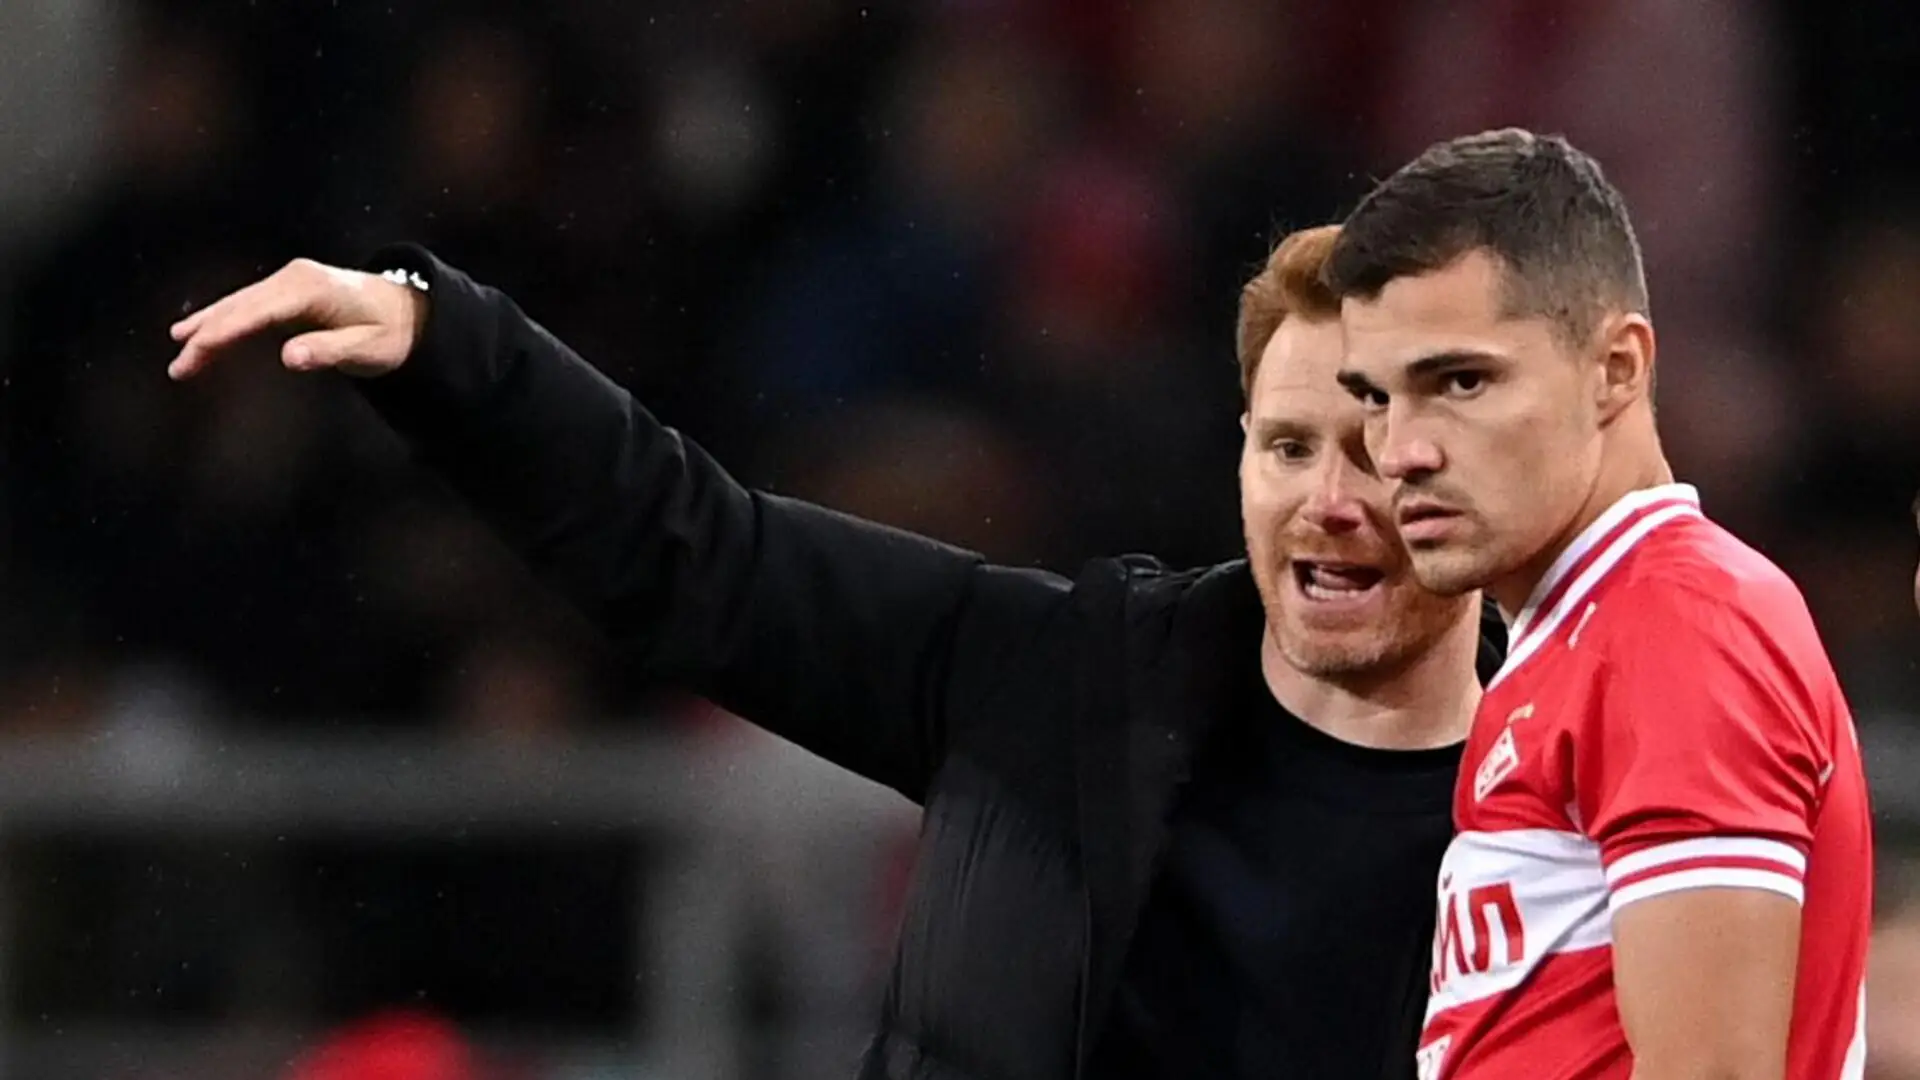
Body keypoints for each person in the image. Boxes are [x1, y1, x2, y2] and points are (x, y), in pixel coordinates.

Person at [164, 223, 1504, 1079]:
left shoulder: (1563, 814)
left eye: (1375, 451)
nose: (1329, 499)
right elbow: (703, 555)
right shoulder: (1054, 671)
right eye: (1289, 447)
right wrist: (448, 346)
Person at [1322, 128, 1872, 1080]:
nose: (1401, 451)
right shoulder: (1584, 635)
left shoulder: (1682, 626)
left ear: (1618, 367)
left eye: (1460, 381)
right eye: (1377, 398)